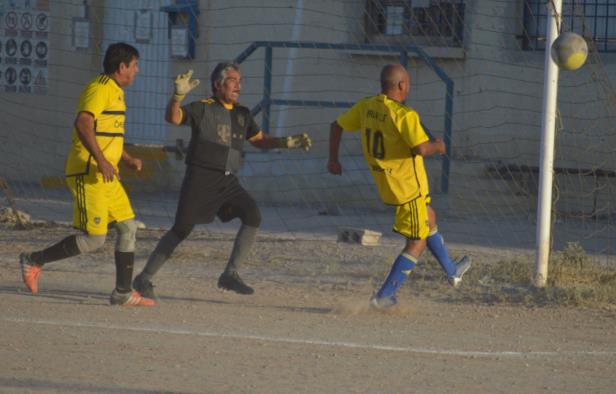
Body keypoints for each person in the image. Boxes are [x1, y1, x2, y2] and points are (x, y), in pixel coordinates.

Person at [132, 63, 311, 299]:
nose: (239, 85)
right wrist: (177, 96)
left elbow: (258, 140)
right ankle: (143, 278)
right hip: (201, 178)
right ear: (218, 85)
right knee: (182, 229)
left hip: (228, 182)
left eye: (240, 80)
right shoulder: (203, 108)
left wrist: (284, 142)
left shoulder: (242, 113)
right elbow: (173, 118)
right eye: (233, 80)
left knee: (253, 214)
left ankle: (230, 274)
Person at [19, 43, 154, 306]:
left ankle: (123, 293)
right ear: (122, 67)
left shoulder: (116, 92)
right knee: (95, 238)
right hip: (87, 172)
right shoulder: (100, 87)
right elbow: (83, 123)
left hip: (107, 174)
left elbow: (107, 134)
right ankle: (34, 260)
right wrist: (101, 161)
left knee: (127, 226)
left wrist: (125, 158)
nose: (138, 70)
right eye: (135, 65)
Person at [327, 64, 471, 309]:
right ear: (401, 85)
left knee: (430, 217)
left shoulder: (367, 106)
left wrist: (333, 159)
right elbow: (421, 149)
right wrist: (439, 146)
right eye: (408, 84)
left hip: (389, 183)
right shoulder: (405, 115)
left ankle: (452, 270)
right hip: (408, 189)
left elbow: (336, 125)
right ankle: (384, 296)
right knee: (417, 242)